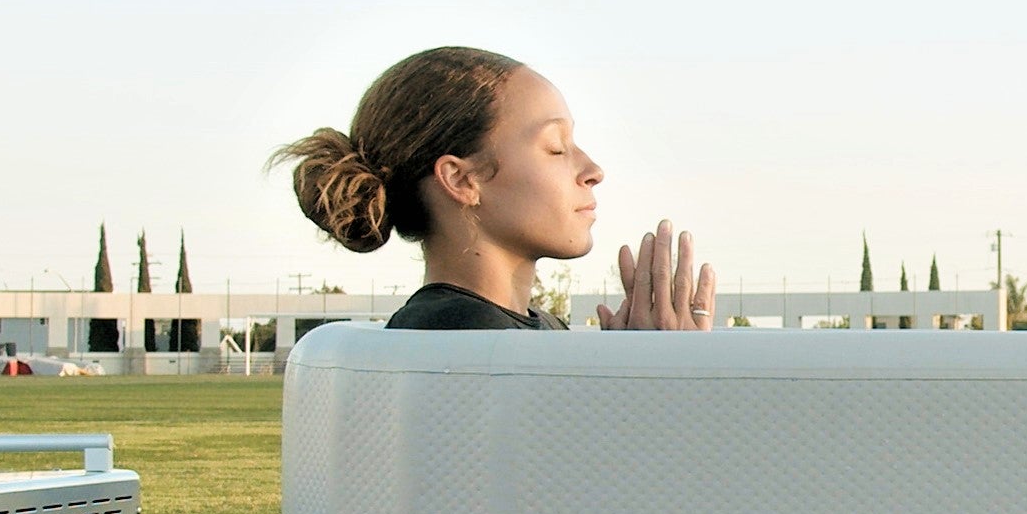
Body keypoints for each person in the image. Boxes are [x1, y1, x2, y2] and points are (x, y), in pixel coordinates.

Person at [276, 46, 717, 331]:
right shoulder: (459, 337)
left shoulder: (525, 331)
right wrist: (670, 376)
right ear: (462, 180)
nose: (593, 170)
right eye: (555, 147)